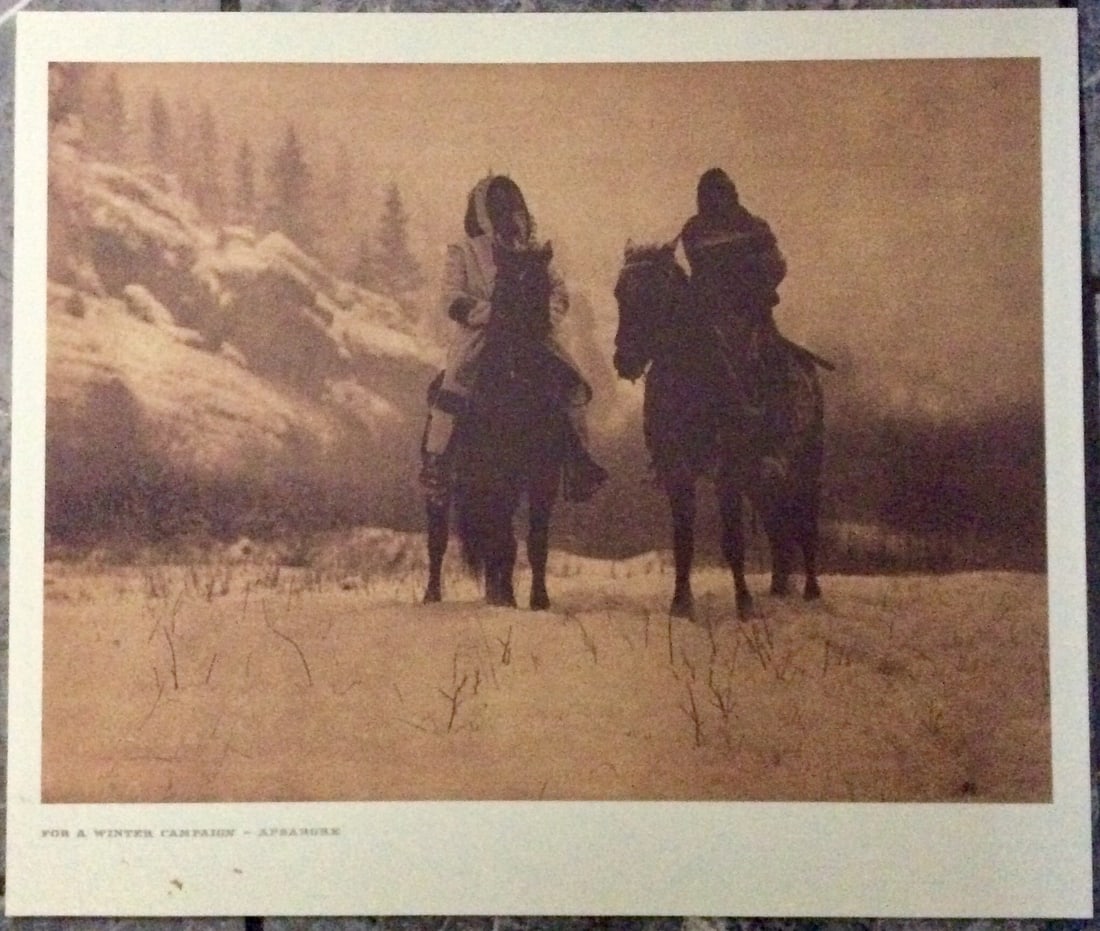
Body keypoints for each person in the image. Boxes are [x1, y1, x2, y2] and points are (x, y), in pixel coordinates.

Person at [420, 174, 608, 504]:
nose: (509, 214)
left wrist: (544, 317)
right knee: (453, 386)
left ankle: (581, 462)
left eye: (513, 205)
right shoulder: (462, 251)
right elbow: (451, 297)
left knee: (569, 383)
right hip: (479, 337)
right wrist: (491, 314)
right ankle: (437, 461)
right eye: (500, 206)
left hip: (534, 334)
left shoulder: (534, 251)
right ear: (483, 212)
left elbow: (559, 292)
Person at [679, 167, 789, 410]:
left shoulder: (753, 226)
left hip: (748, 311)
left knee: (767, 358)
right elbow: (698, 270)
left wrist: (757, 291)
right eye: (706, 194)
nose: (711, 200)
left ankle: (775, 413)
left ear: (730, 195)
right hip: (707, 313)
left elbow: (776, 265)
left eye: (717, 193)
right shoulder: (694, 229)